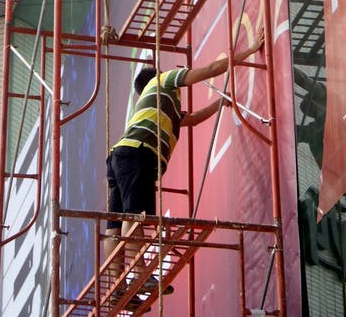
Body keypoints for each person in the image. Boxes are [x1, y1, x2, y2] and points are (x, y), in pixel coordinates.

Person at [104, 28, 265, 305]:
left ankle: (116, 286)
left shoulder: (158, 106)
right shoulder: (163, 82)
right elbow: (211, 68)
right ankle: (142, 273)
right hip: (137, 155)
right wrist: (249, 51)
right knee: (135, 216)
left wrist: (220, 103)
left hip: (121, 155)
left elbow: (192, 119)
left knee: (114, 226)